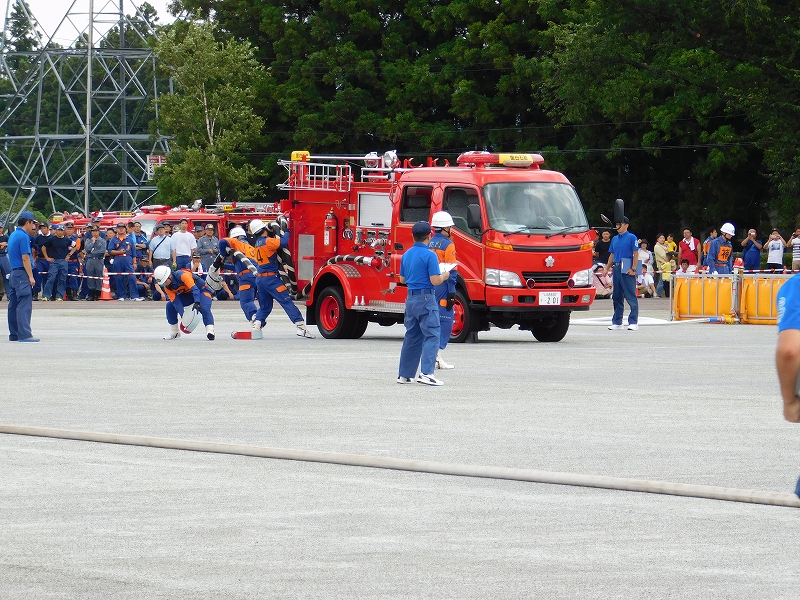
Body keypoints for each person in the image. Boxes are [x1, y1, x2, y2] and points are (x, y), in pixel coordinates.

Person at [219, 218, 314, 338]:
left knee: (265, 306)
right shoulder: (267, 242)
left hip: (260, 279)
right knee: (286, 301)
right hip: (271, 279)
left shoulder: (257, 243)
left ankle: (256, 326)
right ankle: (301, 327)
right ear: (264, 229)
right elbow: (283, 242)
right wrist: (287, 231)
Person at [396, 221, 450, 385]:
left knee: (412, 336)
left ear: (413, 236)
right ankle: (427, 373)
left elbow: (402, 279)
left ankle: (404, 374)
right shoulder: (430, 255)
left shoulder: (406, 254)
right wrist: (444, 276)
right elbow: (435, 280)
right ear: (429, 236)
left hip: (410, 298)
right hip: (426, 298)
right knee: (432, 334)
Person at [153, 265, 216, 340]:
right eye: (163, 283)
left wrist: (197, 302)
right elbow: (176, 302)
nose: (165, 284)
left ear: (169, 276)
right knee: (170, 306)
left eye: (165, 281)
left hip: (202, 290)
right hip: (188, 295)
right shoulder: (167, 287)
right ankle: (175, 331)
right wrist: (184, 317)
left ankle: (210, 330)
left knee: (204, 308)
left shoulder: (183, 275)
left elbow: (195, 289)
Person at [428, 211, 458, 370]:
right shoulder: (448, 245)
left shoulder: (430, 243)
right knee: (445, 320)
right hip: (443, 285)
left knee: (432, 320)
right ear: (446, 228)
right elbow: (452, 270)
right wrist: (452, 291)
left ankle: (433, 356)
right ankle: (437, 356)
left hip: (431, 284)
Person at [6, 211, 39, 342]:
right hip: (22, 273)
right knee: (24, 303)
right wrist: (31, 276)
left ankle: (14, 333)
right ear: (27, 223)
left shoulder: (13, 235)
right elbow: (25, 257)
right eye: (32, 223)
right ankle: (24, 334)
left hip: (14, 272)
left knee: (13, 304)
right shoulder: (24, 237)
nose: (33, 227)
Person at [603, 216, 639, 331]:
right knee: (617, 295)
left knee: (630, 295)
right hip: (617, 267)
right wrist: (607, 268)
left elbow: (636, 253)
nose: (618, 226)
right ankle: (617, 321)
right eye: (617, 224)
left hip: (627, 265)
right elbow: (612, 255)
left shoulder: (632, 237)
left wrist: (634, 268)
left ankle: (633, 321)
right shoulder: (614, 239)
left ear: (626, 225)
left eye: (620, 224)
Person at [107, 222, 141, 301]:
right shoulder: (114, 239)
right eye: (119, 228)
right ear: (117, 229)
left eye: (122, 228)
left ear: (125, 229)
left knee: (132, 277)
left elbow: (133, 252)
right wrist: (119, 252)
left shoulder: (129, 239)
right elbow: (110, 251)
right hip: (118, 259)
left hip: (128, 259)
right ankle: (121, 295)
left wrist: (134, 262)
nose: (121, 229)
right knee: (119, 278)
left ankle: (134, 296)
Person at [40, 223, 73, 301]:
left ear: (63, 231)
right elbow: (43, 248)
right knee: (51, 278)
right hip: (54, 261)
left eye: (61, 230)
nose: (60, 232)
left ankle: (59, 296)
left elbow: (75, 247)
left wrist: (69, 255)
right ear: (56, 231)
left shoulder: (67, 240)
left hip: (63, 261)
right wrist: (47, 257)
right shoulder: (51, 239)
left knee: (62, 279)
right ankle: (46, 296)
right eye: (59, 230)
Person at [82, 225, 107, 301]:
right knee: (90, 277)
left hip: (99, 260)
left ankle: (97, 293)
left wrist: (92, 252)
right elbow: (86, 249)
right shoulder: (89, 241)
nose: (95, 233)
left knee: (98, 276)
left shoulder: (102, 241)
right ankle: (91, 294)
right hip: (90, 260)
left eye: (96, 231)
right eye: (93, 231)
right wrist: (92, 243)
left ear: (98, 232)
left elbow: (102, 251)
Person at [63, 222, 81, 300]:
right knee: (65, 278)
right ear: (65, 229)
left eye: (71, 229)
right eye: (68, 229)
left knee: (74, 278)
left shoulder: (77, 239)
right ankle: (68, 294)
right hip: (64, 261)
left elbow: (77, 249)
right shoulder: (62, 238)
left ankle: (74, 295)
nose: (69, 230)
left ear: (73, 230)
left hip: (73, 261)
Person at [0, 222, 8, 301]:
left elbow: (9, 244)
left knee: (7, 275)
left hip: (4, 256)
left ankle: (9, 294)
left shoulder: (6, 237)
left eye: (1, 228)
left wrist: (5, 244)